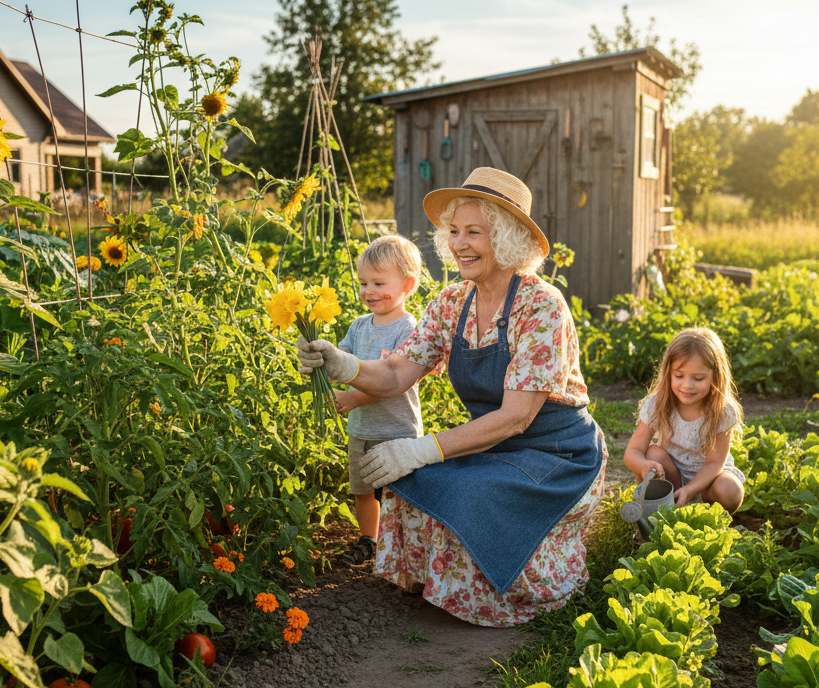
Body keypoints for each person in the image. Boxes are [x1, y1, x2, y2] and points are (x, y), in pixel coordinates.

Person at [298, 167, 606, 627]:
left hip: (556, 455)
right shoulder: (451, 303)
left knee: (465, 492)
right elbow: (398, 372)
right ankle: (440, 584)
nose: (459, 244)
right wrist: (342, 364)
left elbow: (515, 419)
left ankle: (503, 586)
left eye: (474, 233)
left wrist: (422, 448)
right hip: (493, 446)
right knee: (415, 484)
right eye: (454, 232)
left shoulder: (541, 307)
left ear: (506, 240)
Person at [335, 235, 424, 565]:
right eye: (363, 283)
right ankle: (368, 541)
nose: (369, 291)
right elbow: (342, 359)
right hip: (361, 430)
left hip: (395, 429)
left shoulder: (408, 328)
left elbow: (397, 381)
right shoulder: (359, 326)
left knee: (394, 492)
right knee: (361, 490)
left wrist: (356, 398)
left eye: (378, 282)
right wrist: (324, 363)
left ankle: (399, 548)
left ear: (408, 284)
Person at [624, 327, 745, 512]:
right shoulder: (658, 404)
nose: (687, 385)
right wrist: (642, 465)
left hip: (710, 480)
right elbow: (632, 452)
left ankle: (710, 517)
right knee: (653, 454)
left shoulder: (722, 411)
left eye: (698, 378)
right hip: (672, 476)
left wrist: (690, 490)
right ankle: (660, 509)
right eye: (679, 376)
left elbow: (715, 462)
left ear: (716, 376)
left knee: (730, 490)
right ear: (668, 373)